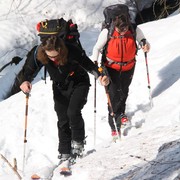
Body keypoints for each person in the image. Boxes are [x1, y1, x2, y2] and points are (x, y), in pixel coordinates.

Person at [19, 35, 109, 164]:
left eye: (55, 56)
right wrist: (25, 81)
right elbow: (29, 69)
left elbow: (88, 65)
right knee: (62, 119)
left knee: (73, 112)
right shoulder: (40, 52)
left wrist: (100, 76)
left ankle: (78, 143)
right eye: (50, 56)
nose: (53, 59)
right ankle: (64, 151)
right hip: (59, 87)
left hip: (79, 82)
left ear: (60, 49)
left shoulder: (71, 50)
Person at [91, 15, 150, 138]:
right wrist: (95, 64)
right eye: (120, 30)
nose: (123, 32)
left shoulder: (133, 29)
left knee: (123, 92)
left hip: (128, 67)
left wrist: (145, 45)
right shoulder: (108, 31)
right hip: (110, 68)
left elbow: (143, 40)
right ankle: (114, 125)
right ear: (115, 26)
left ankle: (121, 114)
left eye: (125, 29)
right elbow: (97, 47)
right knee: (113, 95)